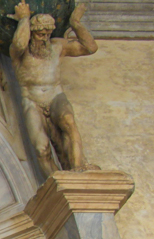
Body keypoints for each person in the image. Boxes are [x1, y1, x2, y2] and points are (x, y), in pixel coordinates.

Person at [9, 0, 98, 177]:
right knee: (41, 148)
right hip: (32, 102)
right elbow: (19, 44)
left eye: (48, 34)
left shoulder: (57, 47)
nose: (44, 39)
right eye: (41, 34)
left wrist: (75, 24)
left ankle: (79, 166)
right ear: (31, 33)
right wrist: (24, 18)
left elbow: (90, 47)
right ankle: (55, 180)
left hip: (55, 95)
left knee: (69, 122)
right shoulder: (19, 53)